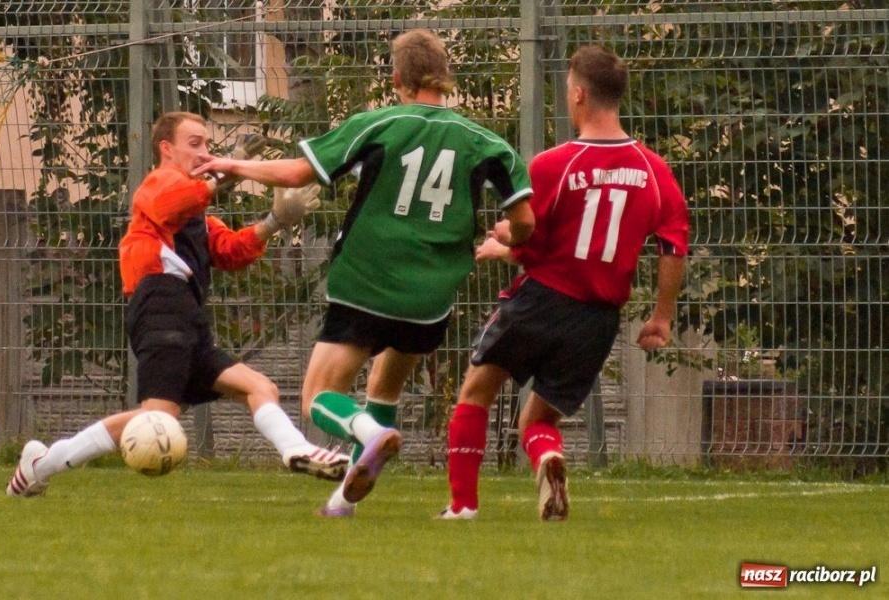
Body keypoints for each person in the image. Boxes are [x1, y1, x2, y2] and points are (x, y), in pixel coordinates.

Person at [192, 29, 535, 517]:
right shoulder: (487, 143)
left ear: (396, 78)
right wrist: (509, 239)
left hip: (367, 282)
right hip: (431, 298)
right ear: (444, 77)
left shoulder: (379, 124)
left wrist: (232, 164)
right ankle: (342, 503)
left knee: (318, 398)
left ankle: (370, 434)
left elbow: (297, 173)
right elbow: (525, 222)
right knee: (382, 391)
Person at [6, 111, 348, 498]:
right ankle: (43, 464)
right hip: (161, 305)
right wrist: (225, 174)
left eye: (208, 144)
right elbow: (174, 201)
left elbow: (230, 251)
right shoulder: (159, 184)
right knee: (157, 417)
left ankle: (296, 449)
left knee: (258, 387)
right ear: (166, 149)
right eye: (195, 143)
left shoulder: (197, 213)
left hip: (187, 316)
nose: (205, 151)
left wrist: (275, 220)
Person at [439, 44, 690, 521]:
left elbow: (530, 238)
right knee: (538, 419)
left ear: (578, 94)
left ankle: (462, 506)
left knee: (476, 392)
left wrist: (503, 240)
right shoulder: (654, 170)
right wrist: (661, 316)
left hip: (541, 301)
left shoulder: (556, 164)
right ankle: (548, 456)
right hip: (598, 319)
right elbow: (674, 244)